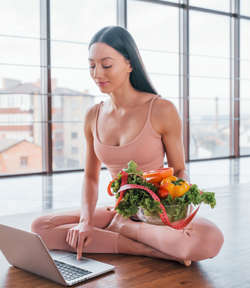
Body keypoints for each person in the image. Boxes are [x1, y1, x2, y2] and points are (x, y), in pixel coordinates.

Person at [31, 26, 224, 266]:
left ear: (130, 64)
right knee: (40, 228)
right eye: (92, 65)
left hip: (156, 214)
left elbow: (179, 170)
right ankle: (148, 248)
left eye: (106, 65)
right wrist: (85, 221)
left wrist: (168, 213)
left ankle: (126, 231)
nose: (97, 73)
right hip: (119, 210)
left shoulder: (161, 109)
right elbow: (91, 178)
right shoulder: (93, 115)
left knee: (210, 238)